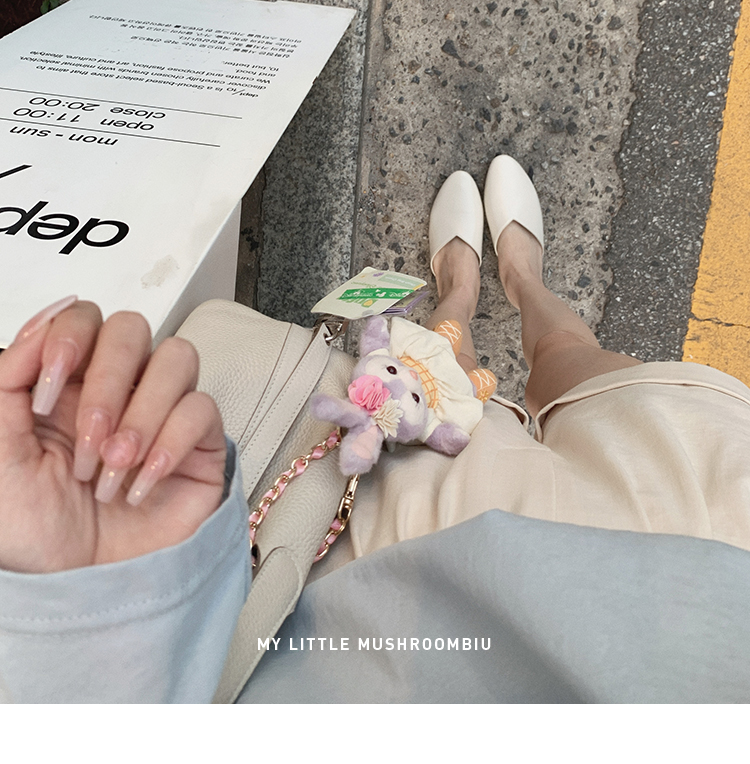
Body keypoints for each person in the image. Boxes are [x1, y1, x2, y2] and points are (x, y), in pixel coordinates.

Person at [4, 155, 750, 703]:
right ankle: (521, 278)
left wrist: (101, 619)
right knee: (568, 359)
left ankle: (462, 289)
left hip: (373, 589)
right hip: (712, 552)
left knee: (442, 374)